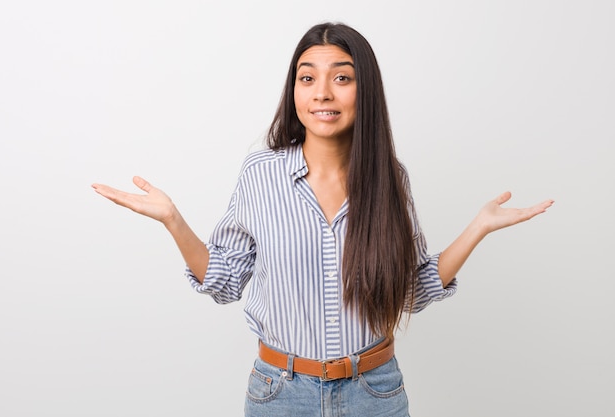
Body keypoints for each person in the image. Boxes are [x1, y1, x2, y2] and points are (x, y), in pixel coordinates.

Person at [92, 22, 553, 417]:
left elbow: (410, 292)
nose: (322, 93)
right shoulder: (261, 174)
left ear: (364, 89)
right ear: (294, 90)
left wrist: (479, 227)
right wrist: (174, 220)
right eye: (307, 78)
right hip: (280, 394)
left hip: (375, 392)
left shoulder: (389, 179)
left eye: (342, 78)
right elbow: (225, 282)